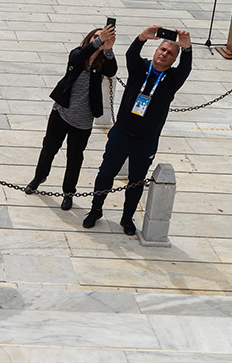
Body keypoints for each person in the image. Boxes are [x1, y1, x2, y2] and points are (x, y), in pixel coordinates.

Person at [83, 26, 191, 235]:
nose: (164, 54)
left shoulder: (173, 79)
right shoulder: (140, 67)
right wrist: (142, 37)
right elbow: (131, 53)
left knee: (136, 181)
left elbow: (186, 68)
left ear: (173, 60)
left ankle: (127, 217)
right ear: (155, 50)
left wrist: (187, 49)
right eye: (162, 50)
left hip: (146, 140)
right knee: (106, 173)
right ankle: (95, 210)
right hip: (121, 133)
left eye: (170, 53)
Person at [25, 24, 117, 211]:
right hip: (61, 111)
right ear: (89, 39)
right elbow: (77, 57)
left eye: (104, 37)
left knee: (75, 158)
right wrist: (98, 42)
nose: (100, 40)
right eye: (96, 37)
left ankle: (68, 192)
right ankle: (39, 177)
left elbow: (112, 71)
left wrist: (108, 50)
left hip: (83, 119)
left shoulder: (101, 64)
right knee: (49, 148)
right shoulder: (78, 54)